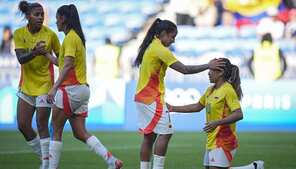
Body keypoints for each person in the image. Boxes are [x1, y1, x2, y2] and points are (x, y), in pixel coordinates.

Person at [134, 18, 224, 169]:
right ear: (163, 34)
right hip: (151, 98)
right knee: (166, 133)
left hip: (141, 97)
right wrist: (208, 65)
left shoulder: (151, 46)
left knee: (149, 136)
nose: (173, 41)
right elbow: (185, 70)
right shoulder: (161, 50)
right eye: (172, 36)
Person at [47, 4, 123, 169]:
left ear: (64, 19)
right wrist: (46, 55)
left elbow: (67, 66)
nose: (56, 22)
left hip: (70, 89)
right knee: (80, 133)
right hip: (82, 90)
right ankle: (111, 160)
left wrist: (54, 87)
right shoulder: (77, 38)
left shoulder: (70, 38)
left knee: (55, 128)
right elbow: (63, 63)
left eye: (58, 18)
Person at [167, 58, 264, 169]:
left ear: (220, 72)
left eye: (211, 70)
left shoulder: (227, 90)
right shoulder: (210, 90)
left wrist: (217, 122)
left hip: (224, 140)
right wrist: (172, 108)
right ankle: (253, 167)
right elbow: (197, 106)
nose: (208, 73)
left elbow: (238, 114)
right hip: (212, 139)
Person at [13, 1, 60, 169]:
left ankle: (48, 165)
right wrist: (35, 52)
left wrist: (48, 55)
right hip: (26, 86)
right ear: (28, 16)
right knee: (23, 125)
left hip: (45, 86)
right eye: (37, 15)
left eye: (42, 15)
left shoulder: (50, 35)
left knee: (41, 124)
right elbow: (21, 59)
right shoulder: (18, 34)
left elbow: (61, 59)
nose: (40, 17)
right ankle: (45, 158)